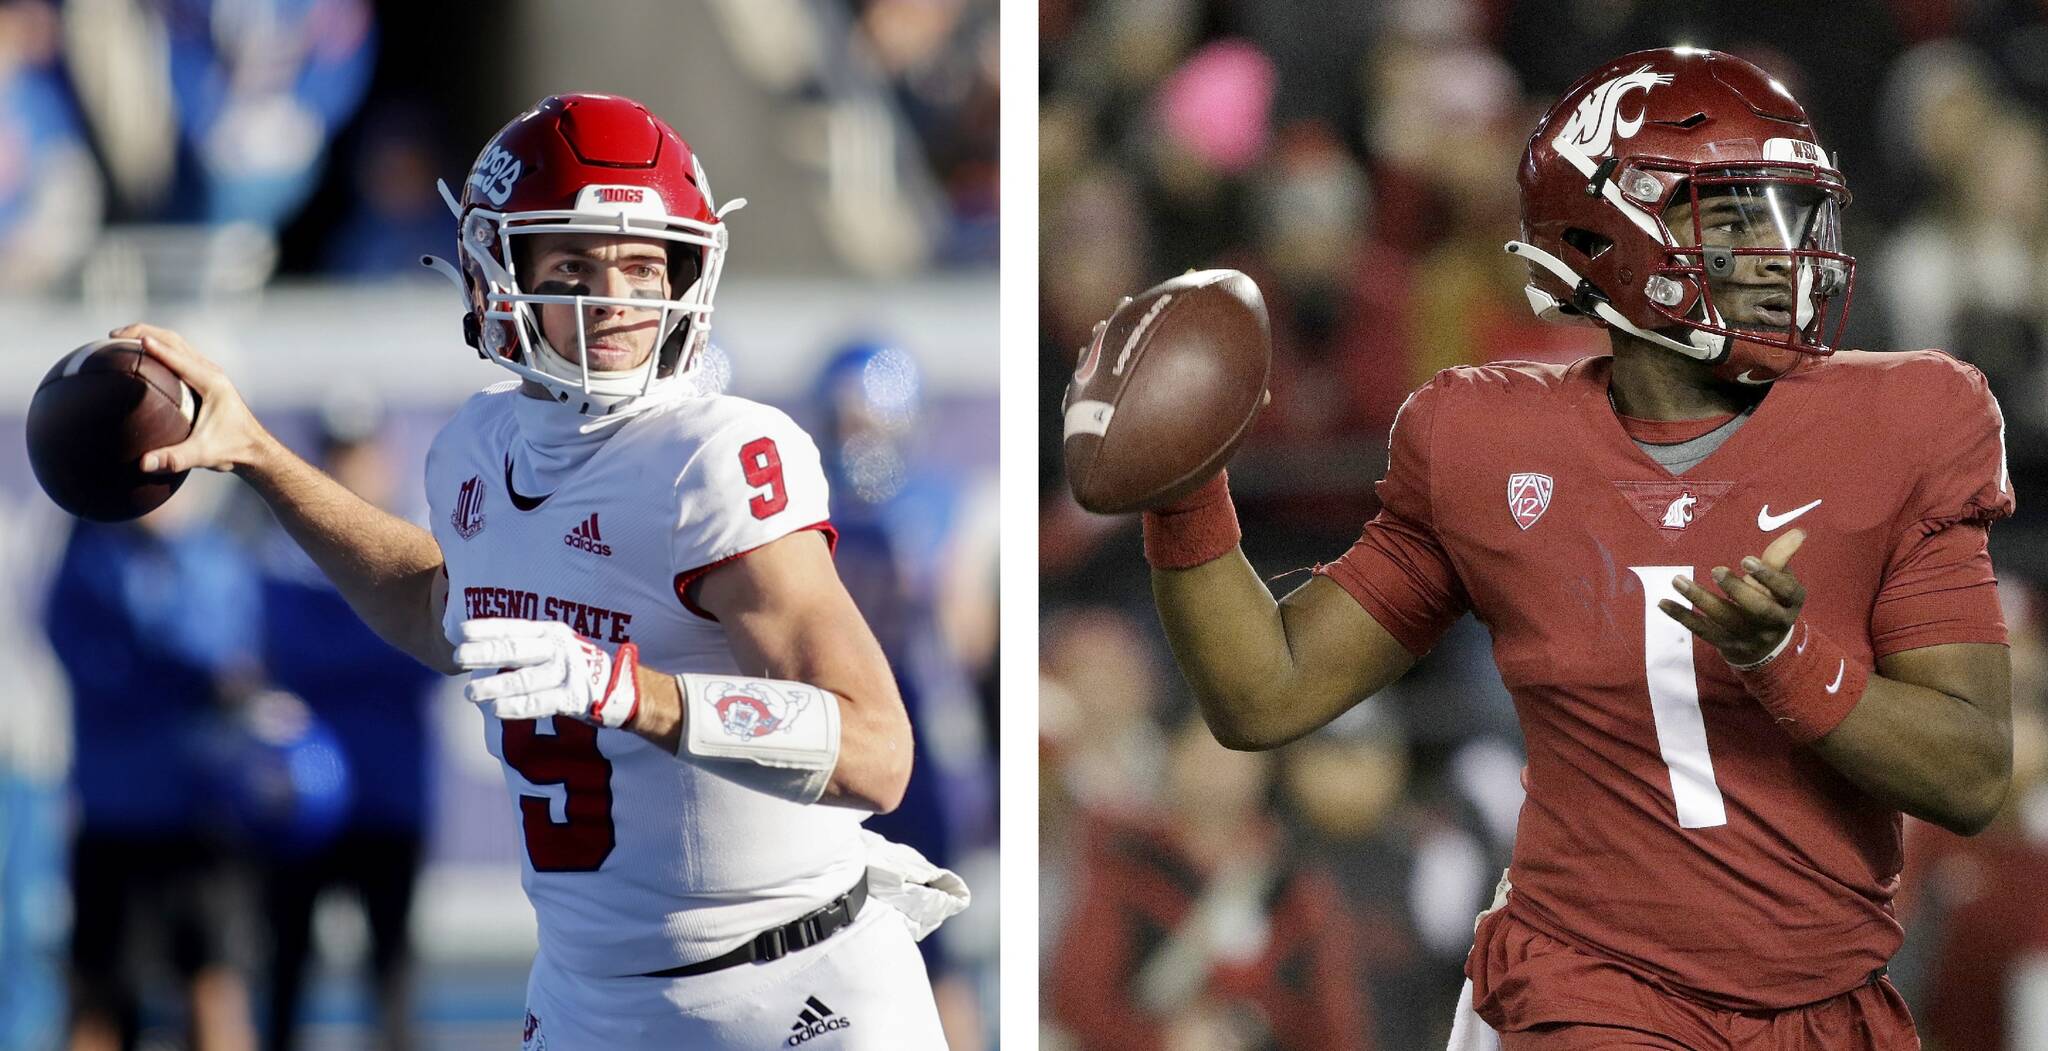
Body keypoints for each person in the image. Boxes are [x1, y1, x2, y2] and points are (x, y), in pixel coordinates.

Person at [1127, 48, 2012, 1049]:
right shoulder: (1482, 442)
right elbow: (1266, 691)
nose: (1777, 253)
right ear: (1604, 234)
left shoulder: (1905, 422)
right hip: (1584, 988)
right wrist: (1182, 490)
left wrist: (1786, 660)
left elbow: (1970, 774)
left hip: (1823, 1000)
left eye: (1786, 213)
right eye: (1729, 218)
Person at [115, 92, 965, 1049]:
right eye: (575, 265)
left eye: (645, 266)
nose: (616, 300)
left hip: (791, 986)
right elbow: (439, 606)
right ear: (497, 274)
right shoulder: (478, 445)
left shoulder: (714, 457)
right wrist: (261, 458)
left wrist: (629, 690)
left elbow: (875, 749)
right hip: (585, 992)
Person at [45, 504, 262, 1051]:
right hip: (114, 815)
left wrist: (171, 557)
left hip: (201, 817)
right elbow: (91, 665)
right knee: (98, 1001)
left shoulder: (210, 553)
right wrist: (181, 674)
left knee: (214, 991)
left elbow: (226, 653)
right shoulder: (88, 554)